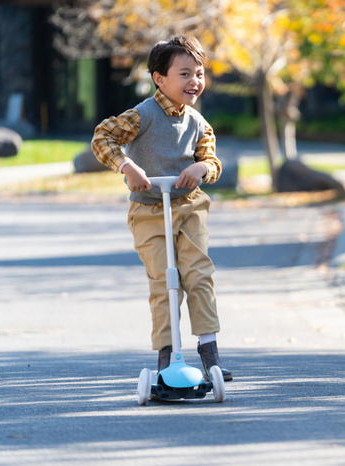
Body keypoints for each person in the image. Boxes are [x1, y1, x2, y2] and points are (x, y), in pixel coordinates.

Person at [91, 35, 232, 382]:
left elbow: (211, 160)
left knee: (198, 274)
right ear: (160, 78)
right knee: (164, 281)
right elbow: (102, 137)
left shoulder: (199, 123)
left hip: (188, 205)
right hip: (149, 210)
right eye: (184, 74)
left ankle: (209, 352)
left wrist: (202, 168)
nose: (194, 82)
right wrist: (127, 166)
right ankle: (166, 356)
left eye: (198, 74)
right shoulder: (142, 116)